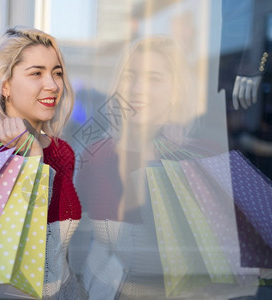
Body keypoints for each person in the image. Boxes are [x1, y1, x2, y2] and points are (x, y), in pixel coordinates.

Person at [73, 36, 221, 299]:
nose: (138, 88)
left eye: (154, 78)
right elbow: (72, 240)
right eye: (130, 76)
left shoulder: (202, 156)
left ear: (176, 90)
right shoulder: (96, 155)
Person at [0, 26, 82, 299]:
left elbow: (57, 248)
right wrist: (32, 159)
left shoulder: (62, 152)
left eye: (57, 72)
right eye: (36, 73)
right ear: (5, 85)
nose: (53, 85)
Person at [218, 1, 272, 299]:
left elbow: (269, 12)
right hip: (245, 80)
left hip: (268, 74)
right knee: (263, 195)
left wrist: (257, 64)